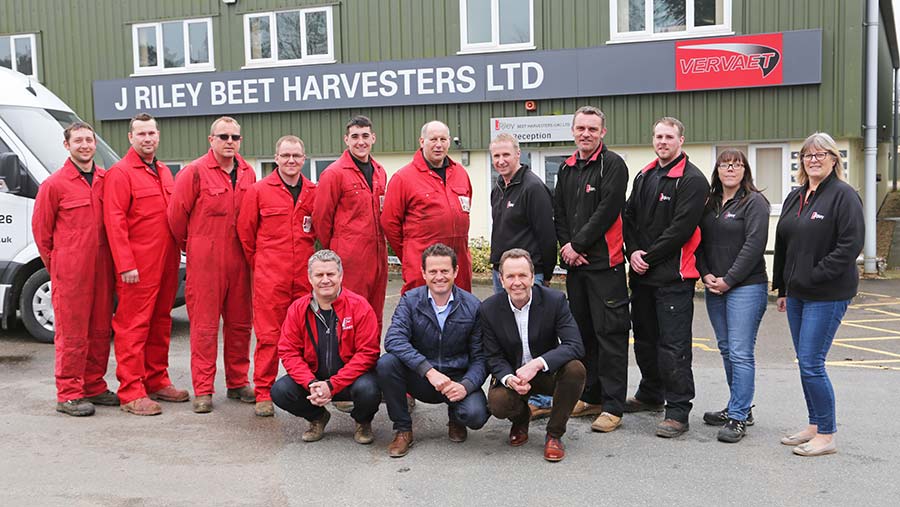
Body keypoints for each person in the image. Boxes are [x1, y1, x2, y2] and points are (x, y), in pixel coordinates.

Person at [772, 132, 864, 457]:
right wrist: (783, 287)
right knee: (805, 362)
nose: (813, 160)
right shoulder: (795, 196)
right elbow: (784, 244)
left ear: (833, 159)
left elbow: (850, 246)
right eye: (808, 155)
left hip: (827, 293)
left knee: (812, 362)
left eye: (820, 154)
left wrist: (813, 276)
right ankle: (814, 426)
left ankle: (826, 435)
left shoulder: (844, 196)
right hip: (797, 293)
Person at [622, 117, 708, 438]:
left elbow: (680, 229)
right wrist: (633, 252)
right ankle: (650, 394)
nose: (662, 141)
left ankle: (678, 410)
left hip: (674, 277)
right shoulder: (644, 174)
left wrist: (647, 257)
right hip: (642, 275)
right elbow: (628, 217)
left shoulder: (692, 180)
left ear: (681, 140)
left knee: (673, 345)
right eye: (658, 136)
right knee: (645, 340)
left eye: (669, 137)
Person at [168, 116, 257, 413]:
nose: (229, 142)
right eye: (223, 137)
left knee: (241, 324)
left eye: (234, 137)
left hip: (240, 261)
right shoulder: (194, 172)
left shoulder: (248, 173)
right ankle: (203, 390)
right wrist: (194, 246)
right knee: (204, 328)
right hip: (206, 263)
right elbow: (176, 218)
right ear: (211, 140)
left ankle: (238, 382)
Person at [104, 113, 189, 417]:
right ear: (131, 137)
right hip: (137, 266)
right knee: (133, 326)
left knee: (161, 322)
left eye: (151, 133)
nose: (147, 138)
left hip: (166, 261)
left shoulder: (164, 171)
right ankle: (131, 391)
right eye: (141, 134)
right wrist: (125, 264)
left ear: (158, 136)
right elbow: (114, 221)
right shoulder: (120, 173)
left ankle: (156, 379)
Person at [553, 106, 630, 433]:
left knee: (610, 336)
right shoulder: (566, 167)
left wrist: (578, 245)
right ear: (573, 131)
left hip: (605, 267)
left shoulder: (612, 165)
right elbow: (559, 212)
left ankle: (613, 406)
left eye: (592, 129)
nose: (586, 134)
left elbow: (607, 210)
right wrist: (567, 249)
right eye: (581, 128)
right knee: (583, 335)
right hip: (576, 267)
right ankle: (591, 395)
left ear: (603, 132)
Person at [32, 122, 116, 416]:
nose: (84, 145)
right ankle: (69, 394)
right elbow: (42, 233)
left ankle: (94, 385)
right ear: (67, 145)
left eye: (89, 140)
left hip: (103, 268)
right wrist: (59, 266)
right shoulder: (54, 185)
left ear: (95, 144)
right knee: (72, 334)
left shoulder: (107, 180)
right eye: (78, 140)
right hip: (71, 272)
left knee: (100, 329)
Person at [377, 243, 489, 458]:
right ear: (423, 273)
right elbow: (394, 339)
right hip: (421, 377)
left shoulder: (473, 306)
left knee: (476, 415)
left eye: (445, 271)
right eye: (433, 271)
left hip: (456, 379)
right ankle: (403, 429)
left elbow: (480, 358)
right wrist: (428, 370)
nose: (439, 277)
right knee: (387, 363)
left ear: (456, 271)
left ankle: (456, 418)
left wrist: (465, 386)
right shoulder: (410, 300)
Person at [237, 135, 317, 417]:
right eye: (285, 156)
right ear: (276, 158)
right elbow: (246, 235)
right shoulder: (258, 191)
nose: (291, 161)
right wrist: (263, 265)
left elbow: (319, 230)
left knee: (309, 336)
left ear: (304, 159)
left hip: (304, 278)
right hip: (270, 278)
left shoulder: (313, 191)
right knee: (269, 337)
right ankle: (263, 392)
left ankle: (309, 389)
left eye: (296, 156)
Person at [482, 249, 586, 462]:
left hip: (546, 372)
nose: (517, 282)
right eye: (510, 276)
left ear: (532, 277)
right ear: (501, 280)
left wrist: (538, 364)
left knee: (575, 369)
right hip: (515, 375)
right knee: (498, 403)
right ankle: (521, 420)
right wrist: (509, 378)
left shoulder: (554, 300)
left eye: (522, 275)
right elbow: (492, 356)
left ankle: (554, 434)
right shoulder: (489, 309)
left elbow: (574, 345)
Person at [696, 149, 769, 443]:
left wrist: (729, 280)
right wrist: (705, 274)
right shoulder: (709, 203)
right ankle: (740, 406)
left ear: (744, 170)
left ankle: (738, 417)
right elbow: (698, 241)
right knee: (727, 349)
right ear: (717, 170)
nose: (730, 169)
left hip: (746, 286)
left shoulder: (755, 202)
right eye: (725, 164)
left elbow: (754, 245)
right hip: (715, 286)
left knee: (740, 352)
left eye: (736, 164)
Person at [271, 250, 381, 444]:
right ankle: (318, 417)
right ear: (310, 278)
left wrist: (333, 385)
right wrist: (310, 383)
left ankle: (362, 421)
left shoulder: (360, 306)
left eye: (330, 274)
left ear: (341, 276)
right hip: (314, 380)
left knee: (369, 389)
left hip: (351, 380)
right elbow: (289, 352)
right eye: (319, 275)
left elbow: (368, 353)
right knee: (280, 391)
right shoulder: (297, 309)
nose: (325, 280)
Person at [489, 132, 557, 419]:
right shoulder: (499, 188)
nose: (501, 160)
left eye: (506, 154)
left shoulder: (533, 187)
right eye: (496, 156)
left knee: (534, 334)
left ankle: (541, 398)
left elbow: (547, 234)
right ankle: (514, 386)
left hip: (530, 275)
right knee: (510, 333)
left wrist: (545, 273)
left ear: (518, 155)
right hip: (501, 273)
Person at [313, 116, 388, 335]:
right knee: (349, 315)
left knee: (374, 315)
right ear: (346, 140)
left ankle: (371, 355)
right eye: (355, 136)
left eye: (365, 136)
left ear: (373, 138)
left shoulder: (380, 172)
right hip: (350, 258)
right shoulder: (334, 173)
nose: (360, 141)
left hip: (378, 256)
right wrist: (338, 248)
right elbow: (321, 218)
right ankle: (346, 358)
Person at [382, 121, 473, 293]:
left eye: (443, 139)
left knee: (460, 308)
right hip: (422, 268)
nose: (439, 145)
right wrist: (410, 255)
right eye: (433, 139)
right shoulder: (403, 178)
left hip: (458, 266)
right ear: (422, 141)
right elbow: (389, 223)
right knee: (421, 308)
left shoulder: (460, 173)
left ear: (449, 142)